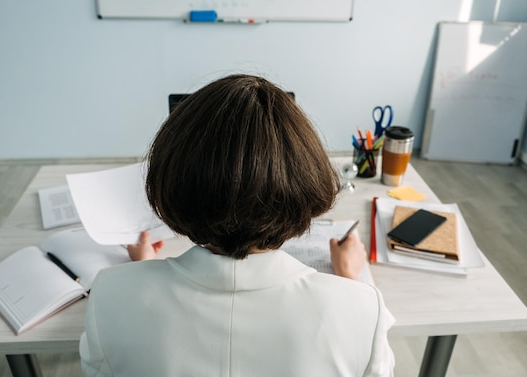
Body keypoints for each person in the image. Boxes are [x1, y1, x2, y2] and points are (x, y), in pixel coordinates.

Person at [79, 74, 395, 377]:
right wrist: (352, 280)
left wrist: (144, 275)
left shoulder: (109, 296)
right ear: (301, 184)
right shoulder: (363, 311)